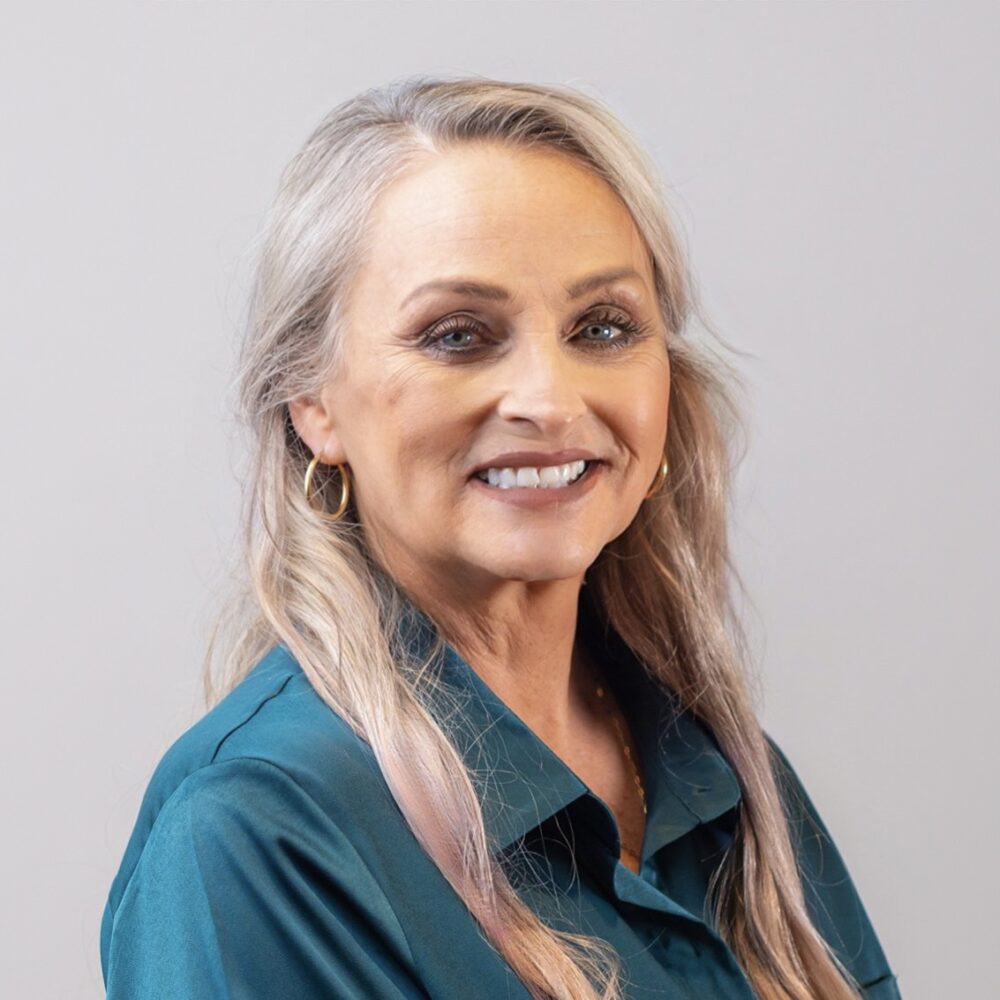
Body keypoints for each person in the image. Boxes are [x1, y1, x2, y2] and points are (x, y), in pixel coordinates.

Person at [100, 75, 902, 1000]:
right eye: (457, 335)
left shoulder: (726, 779)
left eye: (602, 327)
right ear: (312, 403)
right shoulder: (256, 832)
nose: (551, 401)